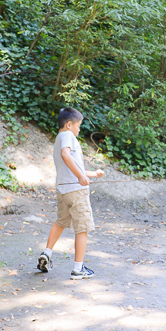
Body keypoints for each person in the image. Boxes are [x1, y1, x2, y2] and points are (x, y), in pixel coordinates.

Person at [36, 107, 104, 279]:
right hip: (76, 191)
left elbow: (71, 164)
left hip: (64, 190)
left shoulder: (59, 138)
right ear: (69, 124)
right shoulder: (68, 136)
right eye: (78, 125)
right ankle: (78, 269)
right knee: (82, 229)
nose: (79, 129)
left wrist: (92, 174)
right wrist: (81, 176)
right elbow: (66, 155)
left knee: (60, 222)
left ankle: (47, 253)